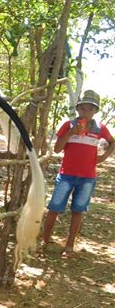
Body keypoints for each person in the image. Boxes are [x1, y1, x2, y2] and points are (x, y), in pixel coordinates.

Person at [41, 89, 113, 257]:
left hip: (87, 178)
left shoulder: (100, 129)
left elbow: (112, 142)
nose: (85, 112)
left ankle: (69, 245)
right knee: (54, 208)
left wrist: (102, 157)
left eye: (90, 109)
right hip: (66, 175)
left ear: (95, 111)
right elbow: (57, 149)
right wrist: (70, 133)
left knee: (78, 211)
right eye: (82, 108)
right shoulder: (69, 125)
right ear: (78, 109)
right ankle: (45, 241)